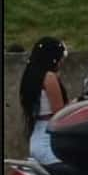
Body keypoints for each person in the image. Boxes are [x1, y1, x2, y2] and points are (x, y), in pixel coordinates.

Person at [19, 37, 69, 168]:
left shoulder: (31, 76)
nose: (61, 62)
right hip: (50, 143)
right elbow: (60, 113)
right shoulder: (49, 77)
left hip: (38, 138)